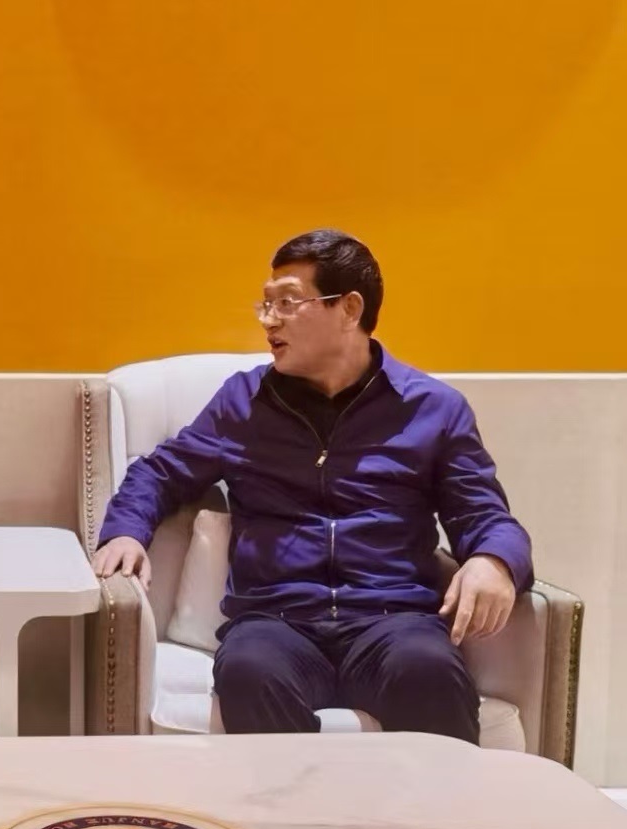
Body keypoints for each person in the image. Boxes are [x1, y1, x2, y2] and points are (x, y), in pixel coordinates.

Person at [93, 229, 531, 741]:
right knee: (248, 671)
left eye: (287, 302)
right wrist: (125, 532)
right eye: (266, 304)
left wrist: (495, 560)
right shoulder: (243, 403)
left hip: (393, 621)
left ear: (349, 309)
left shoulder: (432, 409)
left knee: (430, 670)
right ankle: (291, 799)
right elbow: (161, 471)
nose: (269, 320)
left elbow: (483, 514)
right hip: (276, 622)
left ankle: (432, 799)